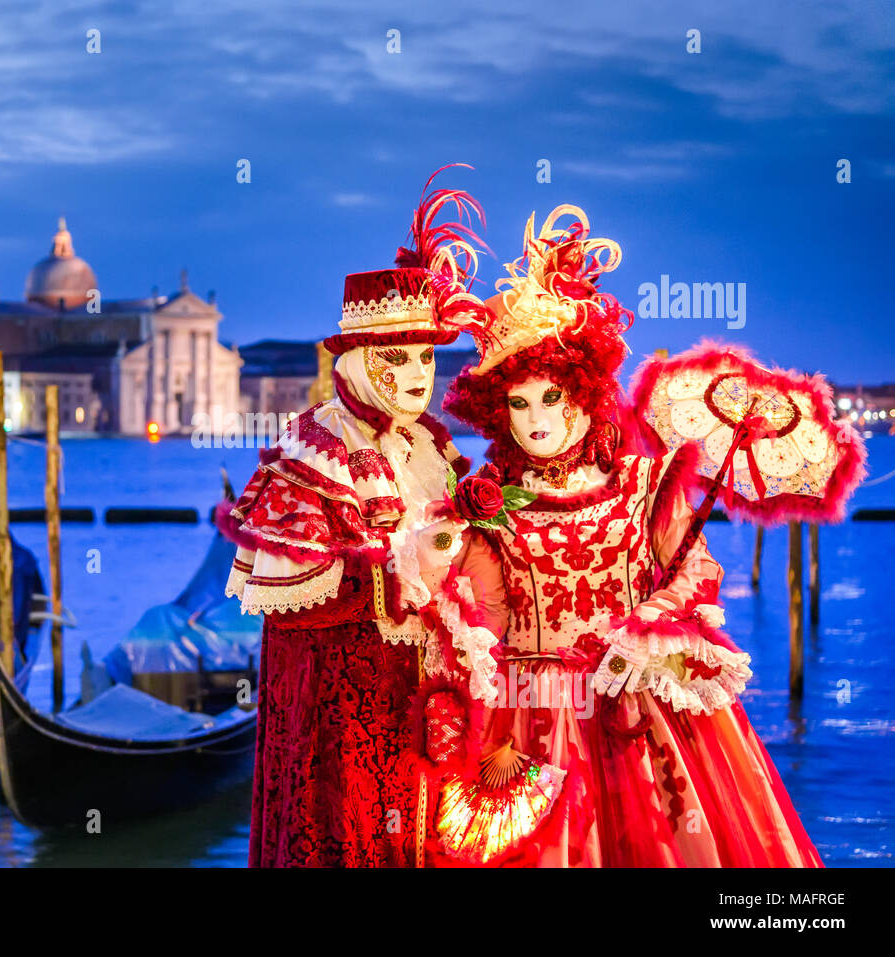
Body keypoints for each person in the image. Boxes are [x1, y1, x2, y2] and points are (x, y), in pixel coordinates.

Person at [416, 205, 823, 867]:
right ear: (497, 410)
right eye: (519, 403)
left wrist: (654, 622)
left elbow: (693, 575)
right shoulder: (489, 501)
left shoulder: (644, 481)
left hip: (641, 707)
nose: (537, 419)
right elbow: (482, 615)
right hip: (532, 718)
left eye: (552, 397)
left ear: (585, 391)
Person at [220, 167, 499, 867]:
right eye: (395, 357)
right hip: (338, 717)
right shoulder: (313, 448)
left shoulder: (432, 445)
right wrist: (401, 565)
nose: (416, 374)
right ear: (358, 360)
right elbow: (293, 602)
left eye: (427, 356)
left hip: (421, 705)